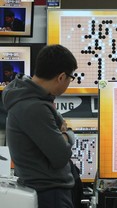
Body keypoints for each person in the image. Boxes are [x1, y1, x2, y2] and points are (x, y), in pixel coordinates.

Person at [2, 44, 78, 208]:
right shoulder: (34, 107)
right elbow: (60, 156)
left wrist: (62, 133)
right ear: (61, 77)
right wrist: (68, 135)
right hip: (50, 194)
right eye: (71, 78)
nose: (69, 83)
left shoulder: (32, 99)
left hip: (45, 190)